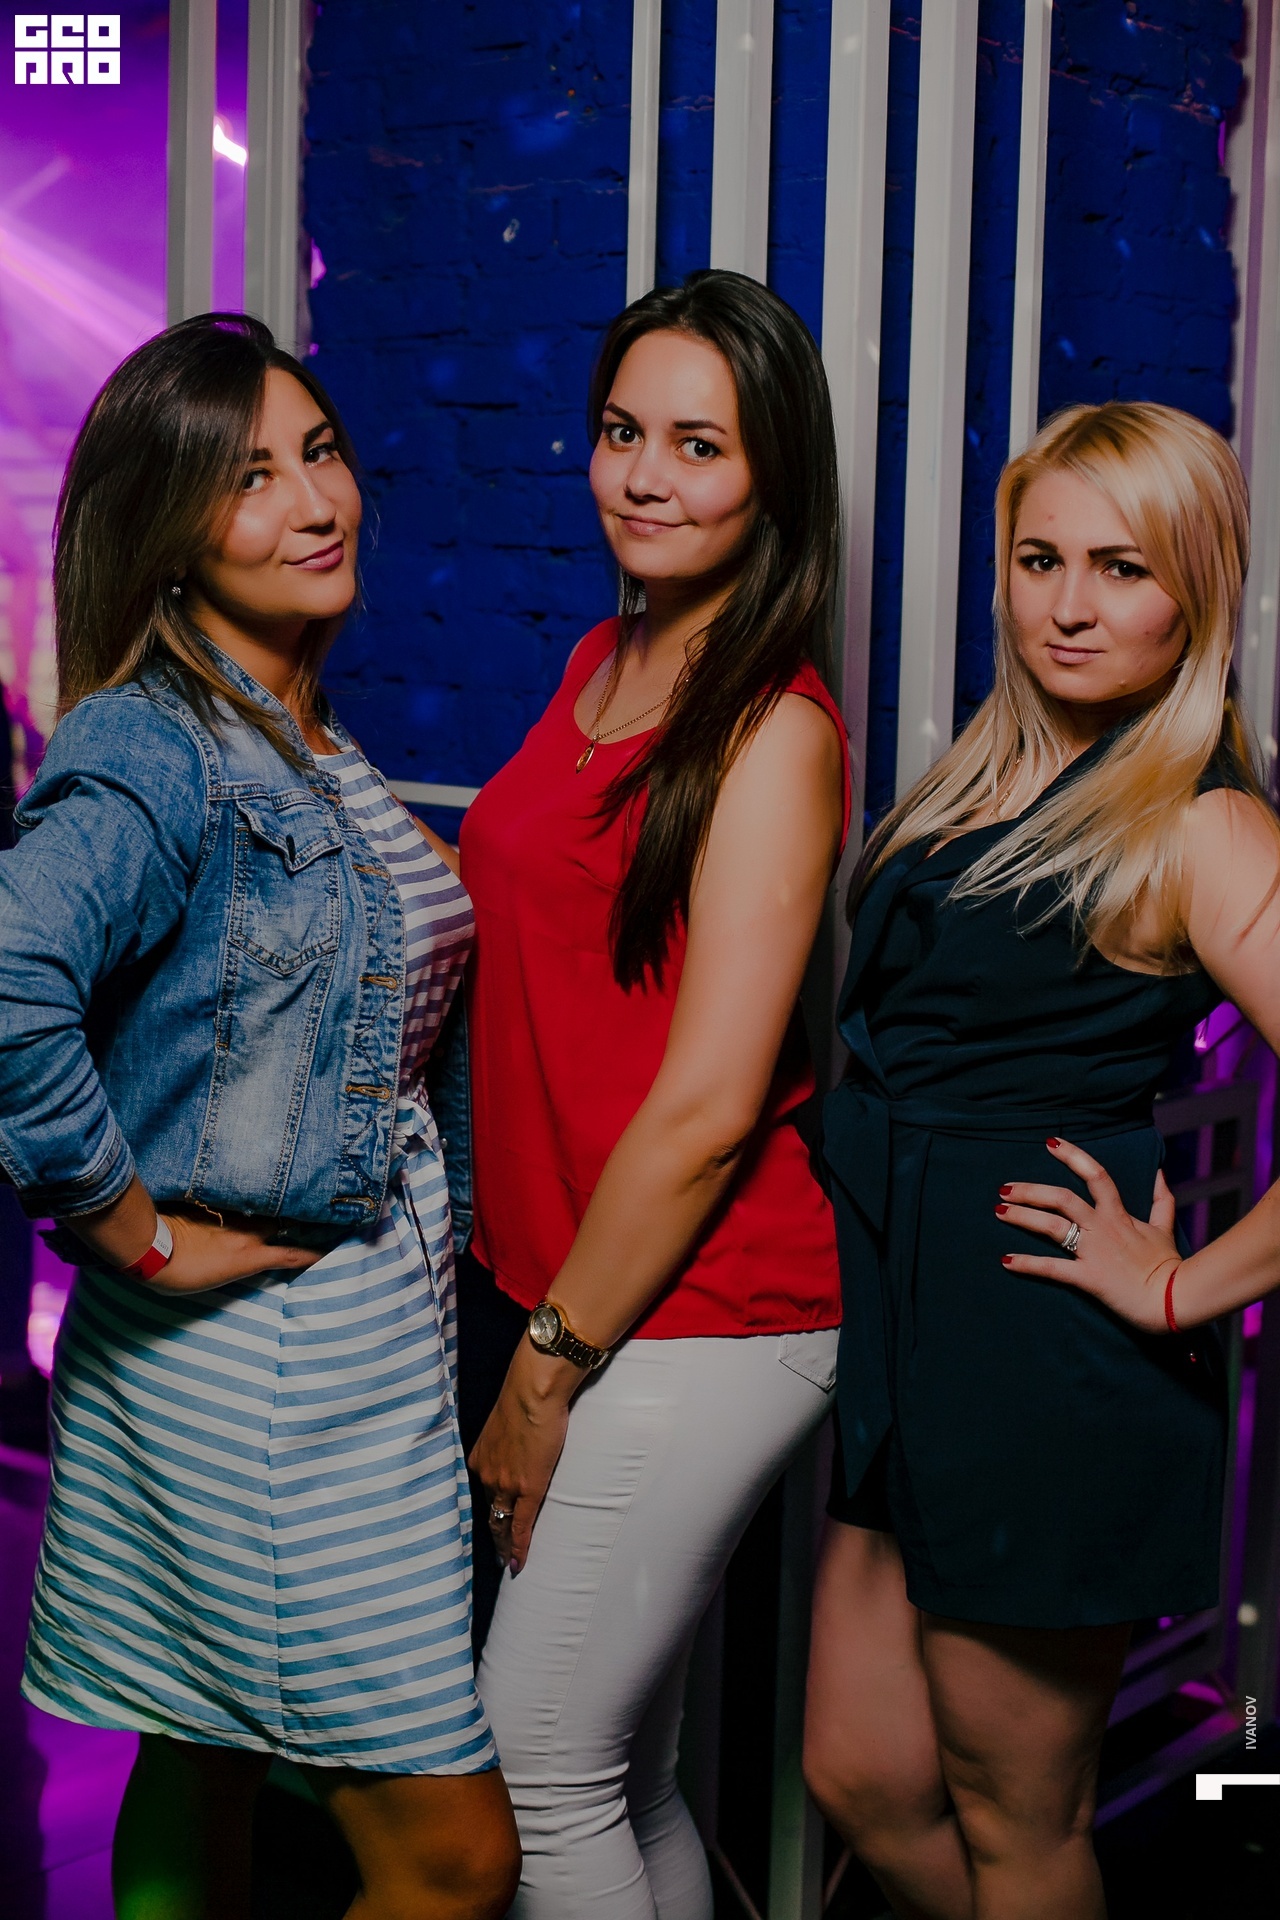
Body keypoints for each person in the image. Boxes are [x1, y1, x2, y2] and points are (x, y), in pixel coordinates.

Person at [0, 314, 519, 1920]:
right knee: (453, 1860)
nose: (314, 501)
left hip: (342, 1360)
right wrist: (128, 1232)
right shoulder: (158, 741)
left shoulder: (297, 729)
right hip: (261, 1380)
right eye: (248, 478)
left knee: (200, 1754)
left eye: (321, 452)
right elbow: (9, 977)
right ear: (169, 530)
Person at [803, 401, 1280, 1920]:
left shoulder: (1201, 822)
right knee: (863, 1774)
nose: (1068, 604)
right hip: (914, 1334)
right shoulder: (980, 779)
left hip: (1042, 1360)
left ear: (1195, 591)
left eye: (1121, 568)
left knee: (1022, 1826)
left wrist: (1182, 1285)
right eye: (1039, 558)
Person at [458, 268, 847, 1918]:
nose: (642, 476)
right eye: (623, 432)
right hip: (588, 1284)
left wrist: (544, 1369)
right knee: (623, 1776)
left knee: (532, 1769)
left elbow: (707, 1108)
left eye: (699, 445)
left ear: (772, 478)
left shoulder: (774, 731)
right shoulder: (598, 659)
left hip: (704, 1311)